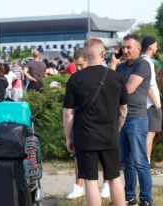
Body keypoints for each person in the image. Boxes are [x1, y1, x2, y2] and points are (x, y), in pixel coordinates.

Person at [63, 38, 128, 206]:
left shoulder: (75, 79)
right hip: (110, 136)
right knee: (114, 178)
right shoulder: (116, 78)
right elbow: (123, 110)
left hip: (85, 137)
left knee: (90, 181)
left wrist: (69, 137)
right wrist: (116, 129)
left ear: (84, 54)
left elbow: (68, 113)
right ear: (102, 53)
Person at [111, 34, 153, 206]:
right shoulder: (121, 67)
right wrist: (113, 63)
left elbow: (128, 89)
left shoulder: (143, 64)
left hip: (137, 118)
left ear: (138, 49)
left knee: (140, 160)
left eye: (129, 47)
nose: (125, 50)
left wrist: (113, 89)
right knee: (126, 160)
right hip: (122, 118)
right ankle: (129, 196)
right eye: (124, 47)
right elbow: (108, 83)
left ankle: (146, 199)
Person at [141, 37, 163, 177]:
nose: (157, 48)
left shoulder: (142, 61)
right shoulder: (147, 62)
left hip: (146, 104)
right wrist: (156, 104)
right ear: (150, 46)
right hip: (150, 105)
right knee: (150, 134)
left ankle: (144, 164)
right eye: (155, 45)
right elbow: (148, 86)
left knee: (147, 135)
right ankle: (146, 165)